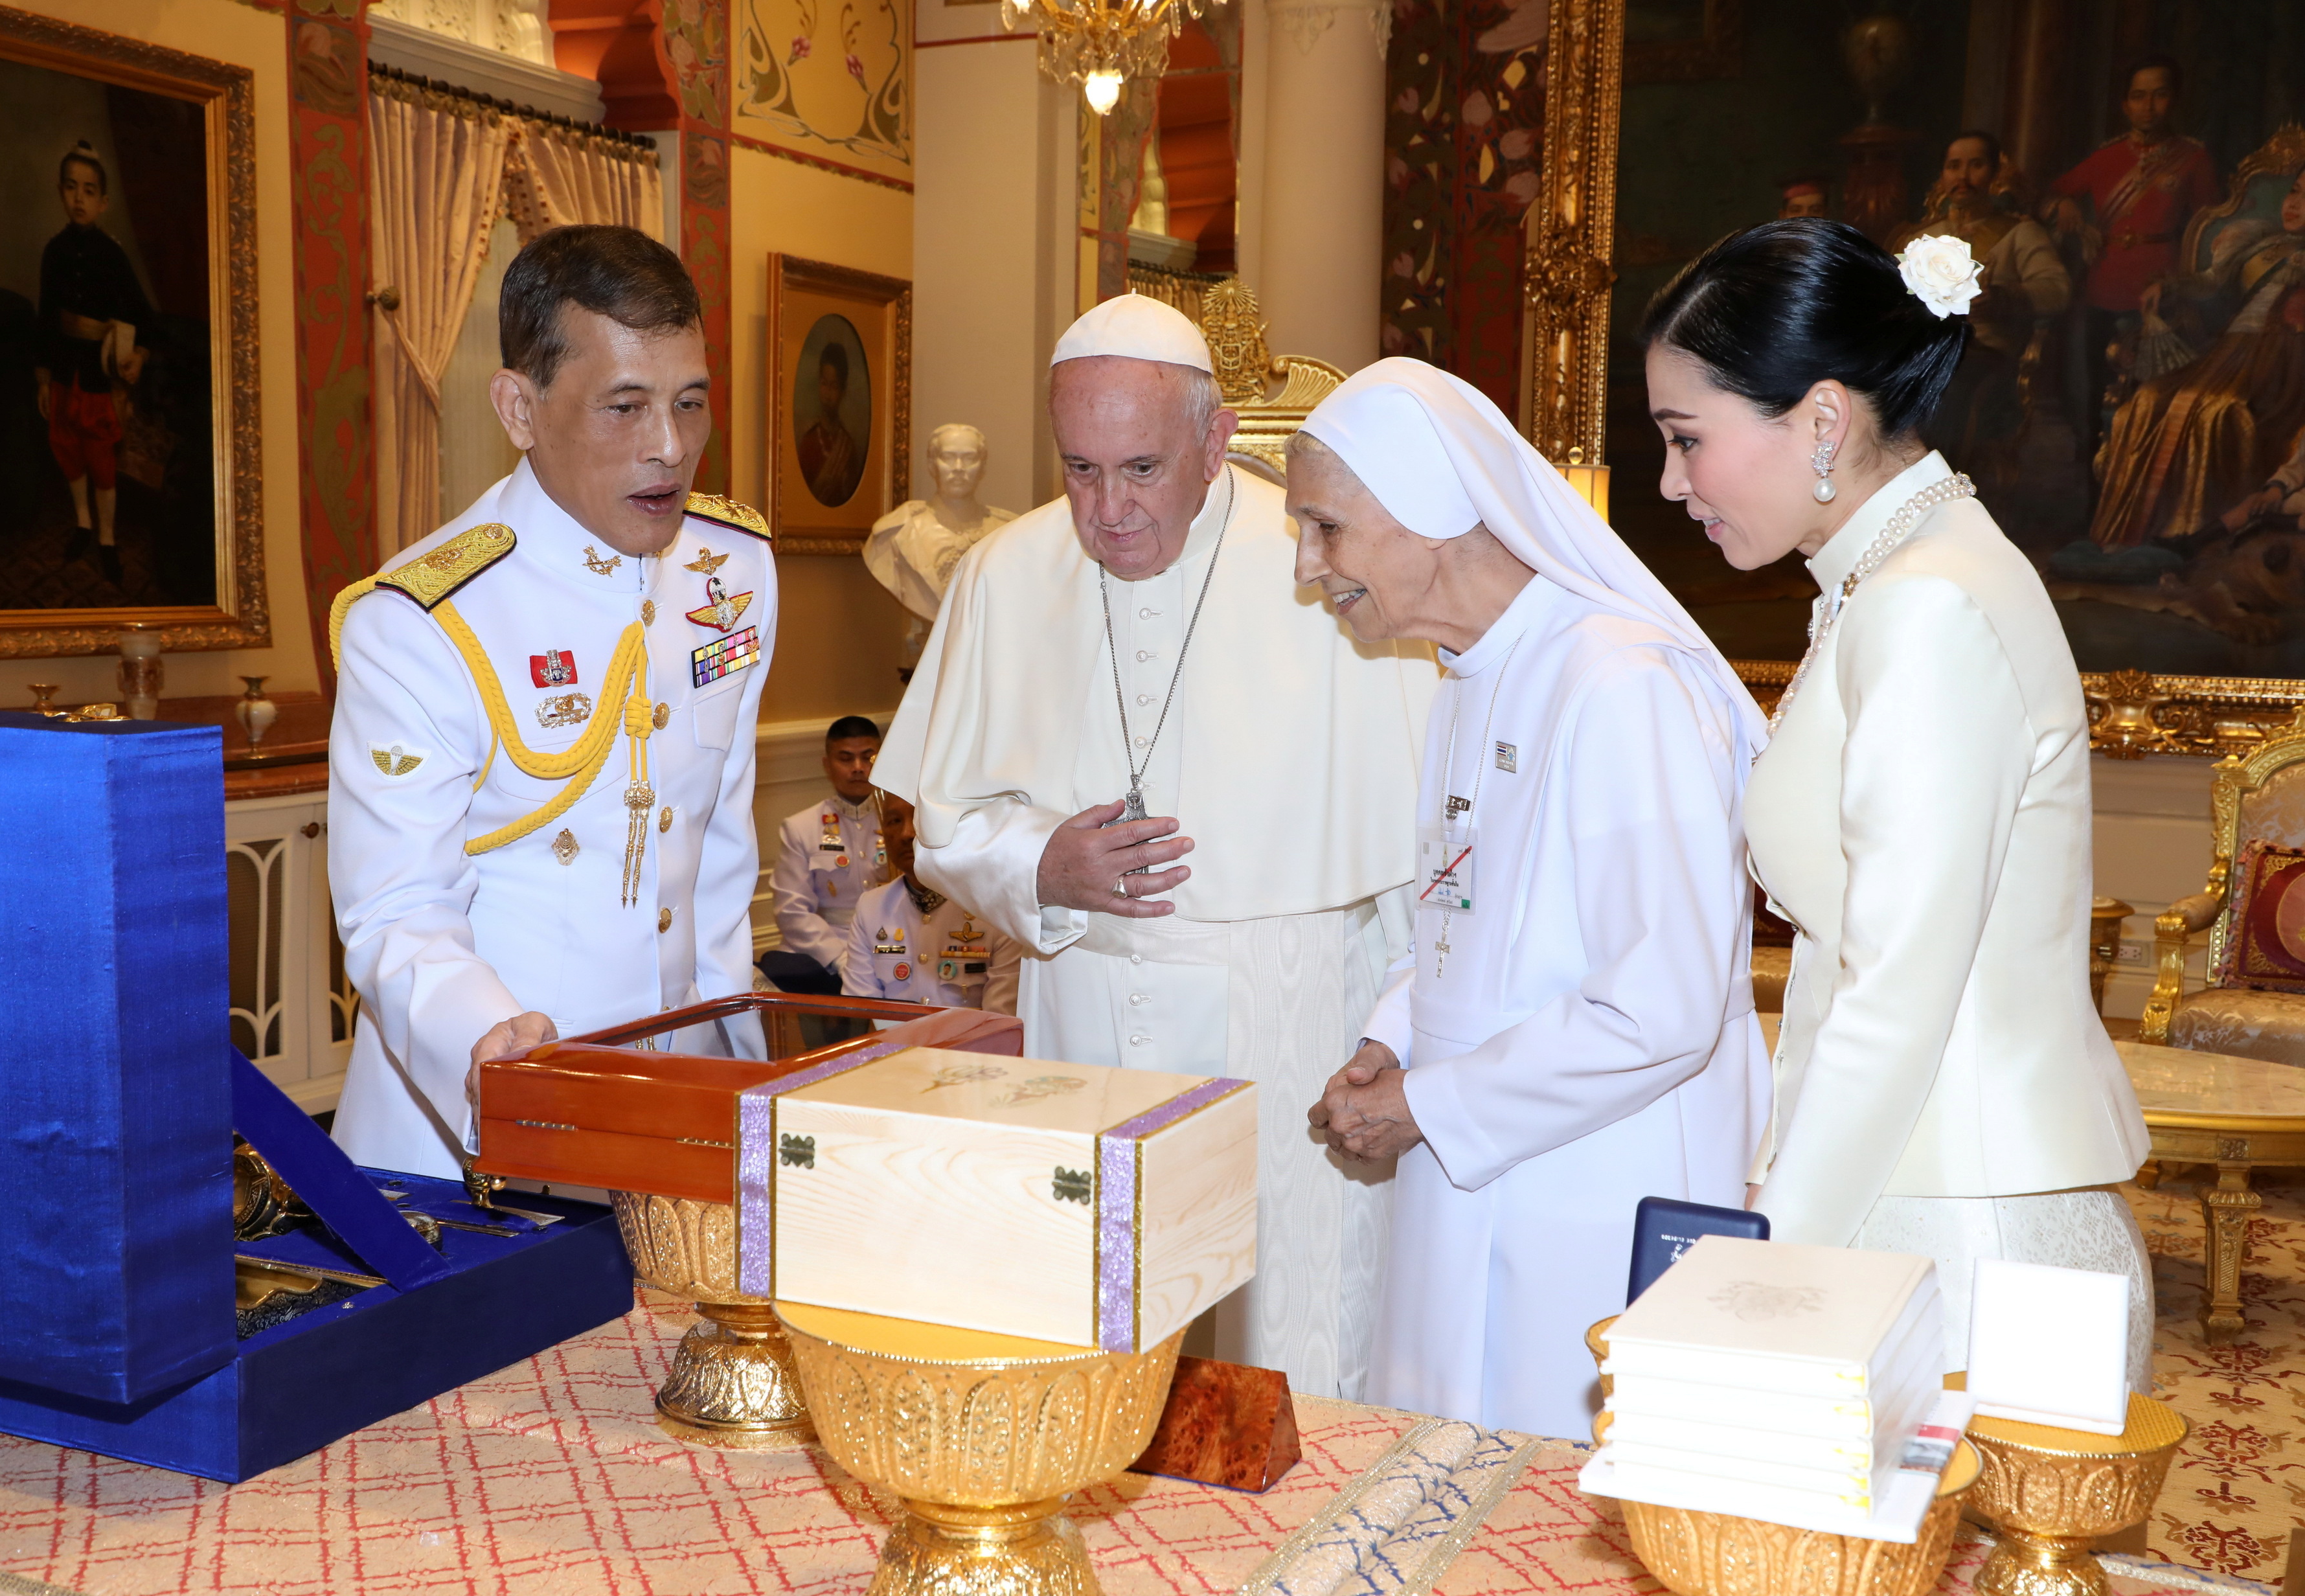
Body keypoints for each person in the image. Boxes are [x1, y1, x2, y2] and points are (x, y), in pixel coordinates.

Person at [873, 292, 1437, 1400]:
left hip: (1286, 1010)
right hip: (1083, 1007)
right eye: (1079, 469)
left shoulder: (1329, 566)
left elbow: (1415, 849)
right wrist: (1039, 862)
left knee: (1292, 1325)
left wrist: (1407, 1037)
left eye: (1140, 468)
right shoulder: (1003, 571)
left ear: (1214, 438)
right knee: (1090, 1324)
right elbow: (943, 824)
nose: (1108, 510)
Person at [1641, 217, 2153, 1384]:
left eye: (1688, 438)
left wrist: (1763, 1261)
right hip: (1911, 1186)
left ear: (1821, 418)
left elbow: (1896, 986)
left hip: (1962, 1227)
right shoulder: (1886, 578)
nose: (1671, 482)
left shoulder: (1926, 605)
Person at [1298, 361, 1767, 1439]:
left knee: (1566, 1500)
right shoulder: (1471, 670)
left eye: (1324, 526)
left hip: (1598, 1185)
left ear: (1427, 511)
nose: (1308, 563)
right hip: (1470, 1164)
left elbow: (1662, 1002)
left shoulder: (1619, 683)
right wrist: (1394, 1043)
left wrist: (1430, 1105)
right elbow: (1461, 916)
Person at [326, 225, 777, 1179]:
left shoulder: (731, 568)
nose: (670, 448)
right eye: (625, 407)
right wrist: (490, 1044)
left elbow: (721, 841)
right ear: (519, 409)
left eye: (690, 404)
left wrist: (735, 1065)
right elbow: (396, 906)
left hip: (683, 1115)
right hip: (478, 1129)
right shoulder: (422, 616)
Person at [2089, 165, 2305, 550]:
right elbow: (2208, 283)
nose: (2295, 204)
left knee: (2218, 411)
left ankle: (2195, 536)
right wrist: (2168, 286)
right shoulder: (2260, 244)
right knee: (2150, 399)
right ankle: (2134, 536)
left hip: (2282, 364)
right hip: (2229, 352)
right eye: (2295, 192)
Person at [2048, 56, 2219, 470]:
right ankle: (2093, 486)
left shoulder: (2192, 159)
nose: (2149, 106)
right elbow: (2053, 193)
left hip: (2160, 289)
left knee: (2152, 396)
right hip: (2103, 285)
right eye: (2139, 97)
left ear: (2174, 100)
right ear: (2125, 105)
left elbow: (2210, 228)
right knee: (2095, 388)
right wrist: (2066, 203)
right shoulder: (2106, 158)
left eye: (2159, 95)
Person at [1899, 131, 2071, 490]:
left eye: (1975, 165)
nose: (1962, 177)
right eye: (1953, 167)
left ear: (1994, 175)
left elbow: (2057, 291)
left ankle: (1938, 496)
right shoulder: (1924, 238)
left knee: (1946, 388)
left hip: (1985, 360)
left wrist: (2005, 299)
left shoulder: (2019, 233)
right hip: (1926, 351)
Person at [34, 140, 153, 586]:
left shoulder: (112, 255)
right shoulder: (54, 252)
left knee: (101, 458)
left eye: (88, 190)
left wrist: (138, 355)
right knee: (68, 450)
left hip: (98, 375)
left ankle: (106, 538)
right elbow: (46, 318)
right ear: (61, 192)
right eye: (71, 188)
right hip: (65, 370)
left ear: (103, 202)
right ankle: (82, 523)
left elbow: (143, 316)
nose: (79, 198)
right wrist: (44, 377)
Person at [843, 790, 1021, 1014]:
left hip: (970, 1048)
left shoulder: (996, 908)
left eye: (920, 818)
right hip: (894, 1047)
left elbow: (1000, 1020)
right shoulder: (871, 908)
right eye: (894, 821)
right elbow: (859, 1010)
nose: (907, 833)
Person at [863, 424, 1018, 674]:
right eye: (948, 458)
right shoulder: (896, 533)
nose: (958, 468)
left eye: (969, 459)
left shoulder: (1009, 533)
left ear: (983, 467)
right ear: (932, 464)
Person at [762, 715, 891, 995]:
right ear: (827, 765)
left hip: (890, 942)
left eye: (868, 758)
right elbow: (792, 910)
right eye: (846, 759)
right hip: (826, 950)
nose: (858, 768)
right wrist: (840, 958)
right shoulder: (801, 827)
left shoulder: (900, 821)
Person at [797, 341, 865, 506]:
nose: (828, 394)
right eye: (824, 384)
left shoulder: (848, 448)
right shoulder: (808, 441)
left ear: (843, 391)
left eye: (834, 386)